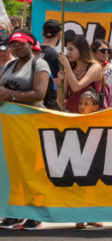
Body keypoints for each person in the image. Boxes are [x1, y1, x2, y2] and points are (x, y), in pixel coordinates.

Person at [0, 30, 51, 230]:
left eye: (21, 43)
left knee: (32, 169)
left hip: (31, 122)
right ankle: (16, 212)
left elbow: (39, 93)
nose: (17, 47)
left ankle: (36, 212)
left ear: (32, 44)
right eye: (14, 44)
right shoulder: (11, 65)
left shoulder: (39, 63)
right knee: (15, 169)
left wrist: (9, 94)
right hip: (11, 125)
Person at [72, 88, 105, 230]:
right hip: (79, 160)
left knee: (94, 190)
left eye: (86, 104)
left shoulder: (100, 120)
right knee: (80, 190)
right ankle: (80, 217)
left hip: (95, 161)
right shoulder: (74, 119)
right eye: (81, 103)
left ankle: (93, 217)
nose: (82, 106)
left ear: (95, 107)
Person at [58, 35, 106, 113]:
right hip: (70, 113)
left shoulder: (95, 67)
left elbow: (76, 87)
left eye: (71, 49)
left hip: (88, 115)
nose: (68, 53)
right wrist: (60, 83)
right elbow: (61, 98)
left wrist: (67, 65)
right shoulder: (70, 69)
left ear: (81, 50)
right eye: (67, 50)